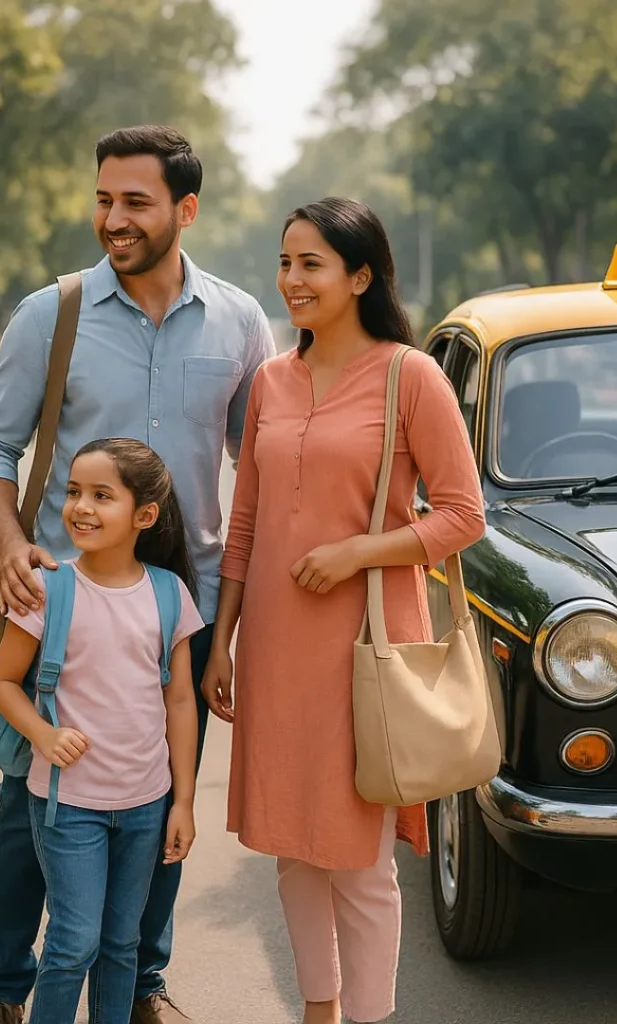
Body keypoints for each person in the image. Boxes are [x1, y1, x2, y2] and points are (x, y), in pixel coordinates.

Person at [0, 124, 276, 1024]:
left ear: (185, 208)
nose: (114, 219)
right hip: (60, 608)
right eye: (104, 199)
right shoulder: (49, 313)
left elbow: (259, 467)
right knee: (29, 814)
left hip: (184, 606)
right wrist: (9, 540)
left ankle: (140, 985)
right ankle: (1, 992)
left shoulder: (240, 320)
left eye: (135, 202)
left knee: (157, 810)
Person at [201, 197, 485, 1024]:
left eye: (311, 263)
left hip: (368, 645)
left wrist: (360, 550)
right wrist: (222, 642)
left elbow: (464, 515)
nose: (291, 279)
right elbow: (246, 521)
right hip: (277, 648)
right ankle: (318, 1012)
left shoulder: (411, 375)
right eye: (286, 262)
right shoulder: (271, 381)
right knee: (293, 847)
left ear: (361, 276)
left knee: (361, 861)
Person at [0, 438, 204, 1024]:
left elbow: (180, 702)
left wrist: (182, 801)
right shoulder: (48, 589)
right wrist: (43, 734)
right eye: (75, 492)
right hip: (66, 805)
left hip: (145, 805)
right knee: (73, 943)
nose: (80, 506)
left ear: (144, 516)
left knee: (121, 945)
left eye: (101, 496)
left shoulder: (168, 594)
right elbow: (3, 683)